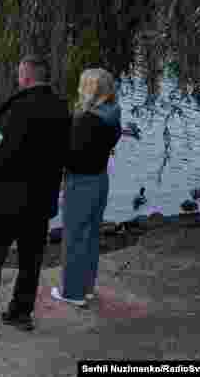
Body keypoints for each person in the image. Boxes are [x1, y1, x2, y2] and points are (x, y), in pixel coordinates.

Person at [0, 55, 71, 338]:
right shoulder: (60, 108)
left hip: (8, 201)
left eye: (20, 75)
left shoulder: (17, 109)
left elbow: (4, 155)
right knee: (31, 260)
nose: (18, 80)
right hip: (41, 200)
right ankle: (20, 313)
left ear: (27, 77)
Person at [53, 68, 121, 307]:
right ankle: (87, 287)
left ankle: (72, 292)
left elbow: (73, 157)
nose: (79, 89)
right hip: (100, 179)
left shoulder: (85, 120)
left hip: (80, 181)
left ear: (91, 90)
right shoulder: (112, 113)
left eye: (83, 85)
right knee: (90, 235)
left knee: (73, 237)